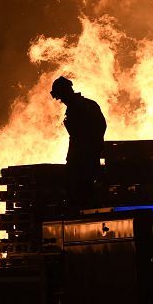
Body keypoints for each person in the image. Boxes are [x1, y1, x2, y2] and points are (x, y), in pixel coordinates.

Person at [50, 76, 106, 208]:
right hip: (88, 155)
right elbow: (101, 127)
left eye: (60, 96)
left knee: (80, 191)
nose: (61, 100)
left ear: (66, 92)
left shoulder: (79, 108)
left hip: (83, 158)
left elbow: (82, 135)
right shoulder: (87, 105)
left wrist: (82, 153)